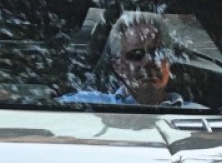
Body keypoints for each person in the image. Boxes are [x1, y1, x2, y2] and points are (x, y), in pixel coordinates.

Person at [63, 11, 199, 107]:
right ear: (119, 67)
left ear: (168, 60)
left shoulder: (199, 116)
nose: (149, 61)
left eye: (157, 52)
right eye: (136, 55)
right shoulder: (85, 105)